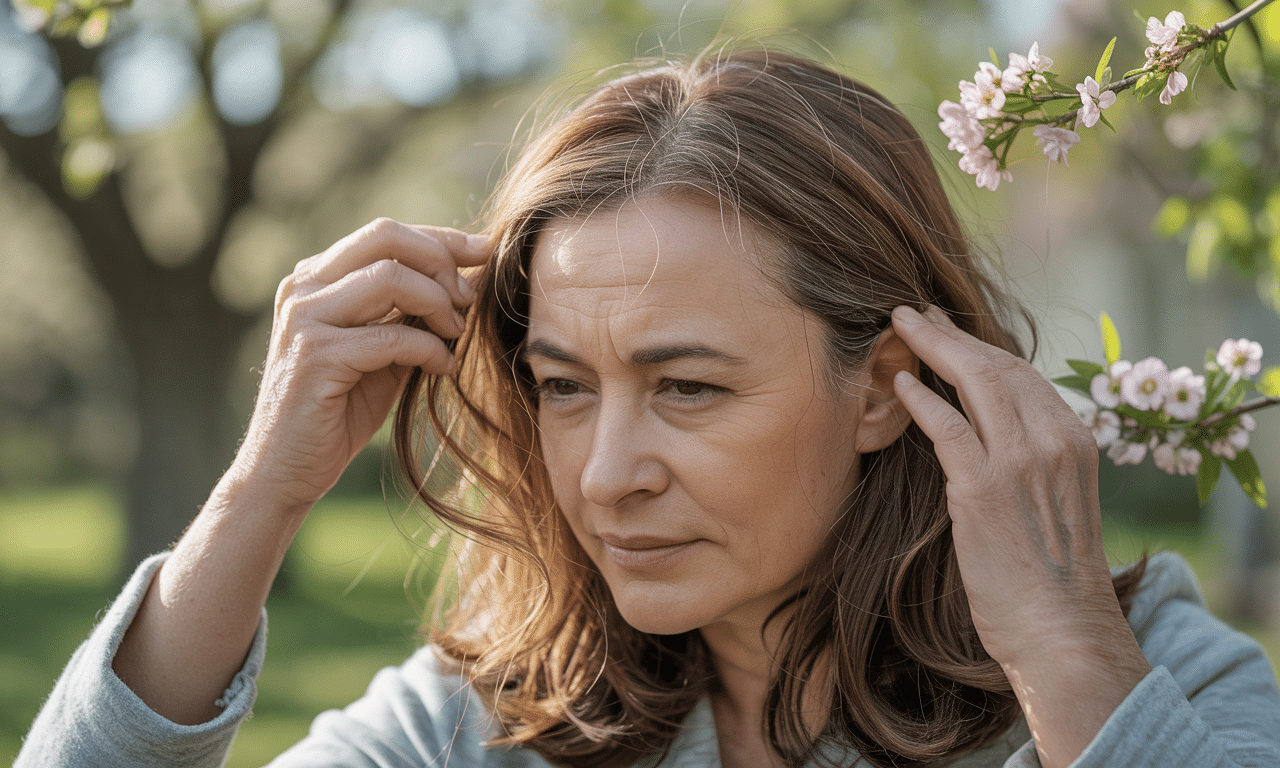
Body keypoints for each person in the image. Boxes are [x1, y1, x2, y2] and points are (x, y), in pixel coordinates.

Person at [16, 45, 1280, 768]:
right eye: (564, 387)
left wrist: (1063, 649)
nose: (604, 472)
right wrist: (259, 495)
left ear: (885, 389)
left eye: (686, 387)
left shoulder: (1144, 679)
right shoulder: (488, 721)